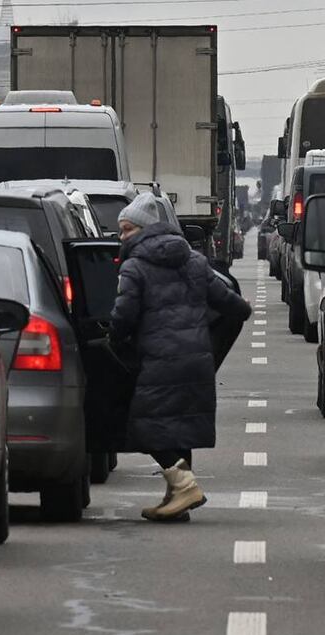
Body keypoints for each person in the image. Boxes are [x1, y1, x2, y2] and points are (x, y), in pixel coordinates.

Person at [110, 193, 252, 522]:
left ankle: (184, 486)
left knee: (144, 427)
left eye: (127, 229)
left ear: (145, 229)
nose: (122, 237)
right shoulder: (194, 262)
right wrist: (241, 312)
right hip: (196, 359)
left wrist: (113, 337)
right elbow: (227, 302)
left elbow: (124, 315)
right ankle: (178, 501)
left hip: (160, 359)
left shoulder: (135, 266)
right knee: (180, 429)